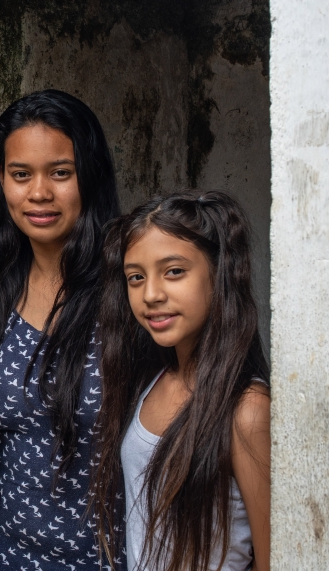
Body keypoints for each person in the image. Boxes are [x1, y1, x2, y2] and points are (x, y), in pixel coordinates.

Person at [0, 89, 124, 570]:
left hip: (99, 559)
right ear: (1, 180)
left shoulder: (133, 290)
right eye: (21, 174)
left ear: (90, 176)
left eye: (61, 172)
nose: (39, 193)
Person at [91, 191, 271, 571]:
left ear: (219, 272)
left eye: (174, 271)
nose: (151, 294)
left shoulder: (246, 409)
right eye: (135, 278)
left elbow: (275, 558)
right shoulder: (150, 382)